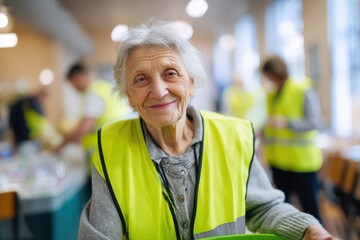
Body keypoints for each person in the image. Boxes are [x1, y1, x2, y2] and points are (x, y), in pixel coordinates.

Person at [78, 21, 337, 240]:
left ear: (191, 84)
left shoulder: (234, 137)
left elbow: (264, 207)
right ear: (129, 97)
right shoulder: (111, 148)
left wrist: (306, 229)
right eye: (141, 79)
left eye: (170, 73)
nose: (158, 91)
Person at [260, 55, 324, 223]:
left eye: (269, 76)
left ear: (275, 73)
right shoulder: (272, 94)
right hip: (279, 162)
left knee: (311, 210)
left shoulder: (302, 88)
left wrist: (287, 123)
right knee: (283, 212)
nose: (268, 80)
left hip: (302, 163)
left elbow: (315, 122)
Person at [61, 63, 130, 154]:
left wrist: (61, 145)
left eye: (73, 83)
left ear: (78, 77)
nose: (74, 88)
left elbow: (84, 128)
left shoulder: (93, 93)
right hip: (119, 142)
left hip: (108, 147)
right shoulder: (102, 87)